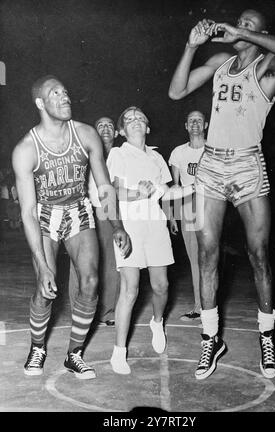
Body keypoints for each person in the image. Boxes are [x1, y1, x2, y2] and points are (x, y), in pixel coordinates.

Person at [169, 9, 275, 380]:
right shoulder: (221, 61)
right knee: (208, 252)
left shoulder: (268, 66)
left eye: (249, 25)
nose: (239, 27)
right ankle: (211, 339)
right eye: (238, 21)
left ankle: (266, 334)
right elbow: (176, 91)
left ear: (260, 34)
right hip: (211, 164)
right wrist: (190, 47)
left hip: (247, 166)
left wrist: (252, 36)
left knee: (258, 255)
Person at [12, 75, 131, 379]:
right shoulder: (26, 148)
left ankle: (73, 354)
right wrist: (42, 264)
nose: (65, 97)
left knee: (90, 282)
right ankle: (37, 347)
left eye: (66, 92)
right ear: (40, 103)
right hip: (44, 215)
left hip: (79, 209)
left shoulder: (86, 134)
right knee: (46, 287)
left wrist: (117, 224)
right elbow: (27, 211)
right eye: (56, 94)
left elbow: (104, 185)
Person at [107, 106, 183, 375]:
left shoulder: (157, 157)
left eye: (140, 118)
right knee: (130, 289)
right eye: (128, 119)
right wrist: (138, 192)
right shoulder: (118, 153)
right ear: (121, 131)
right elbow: (112, 192)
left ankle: (157, 321)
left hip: (155, 226)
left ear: (148, 127)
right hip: (130, 226)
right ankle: (119, 352)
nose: (135, 121)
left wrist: (166, 188)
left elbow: (168, 191)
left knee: (161, 287)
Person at [68, 116, 120, 326]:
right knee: (80, 262)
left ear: (116, 133)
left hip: (111, 212)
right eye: (100, 125)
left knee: (111, 262)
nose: (105, 128)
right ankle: (78, 312)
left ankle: (108, 312)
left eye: (110, 125)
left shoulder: (122, 156)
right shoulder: (82, 154)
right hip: (84, 211)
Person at [169, 110, 207, 321]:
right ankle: (199, 306)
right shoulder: (178, 153)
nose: (195, 123)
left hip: (210, 206)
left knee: (210, 258)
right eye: (191, 120)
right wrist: (173, 215)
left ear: (206, 125)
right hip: (189, 207)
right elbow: (175, 186)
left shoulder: (213, 150)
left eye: (199, 120)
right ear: (186, 125)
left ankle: (211, 306)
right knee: (195, 259)